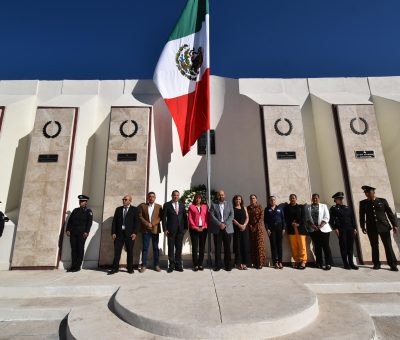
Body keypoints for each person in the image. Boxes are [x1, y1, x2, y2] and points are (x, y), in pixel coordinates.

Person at [359, 185, 398, 271]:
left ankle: (392, 264)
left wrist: (394, 225)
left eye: (369, 192)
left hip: (384, 226)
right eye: (366, 193)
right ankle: (376, 264)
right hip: (371, 227)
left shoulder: (382, 201)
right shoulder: (363, 203)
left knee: (388, 245)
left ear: (373, 192)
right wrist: (362, 226)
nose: (367, 194)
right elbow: (361, 216)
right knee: (374, 246)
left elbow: (389, 213)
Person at [108, 194, 138, 275]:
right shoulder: (118, 209)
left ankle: (130, 268)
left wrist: (135, 233)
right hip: (119, 234)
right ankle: (115, 268)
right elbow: (114, 222)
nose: (124, 200)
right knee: (117, 252)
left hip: (130, 235)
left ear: (130, 201)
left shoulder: (135, 210)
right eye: (123, 199)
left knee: (130, 252)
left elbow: (136, 223)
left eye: (125, 199)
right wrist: (113, 232)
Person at [329, 192, 358, 270]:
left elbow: (352, 218)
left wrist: (355, 228)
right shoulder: (333, 208)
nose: (341, 200)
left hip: (350, 229)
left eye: (342, 198)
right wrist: (335, 228)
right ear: (335, 200)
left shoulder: (347, 207)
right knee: (344, 246)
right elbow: (331, 220)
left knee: (350, 247)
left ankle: (351, 263)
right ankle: (345, 263)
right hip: (341, 229)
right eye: (339, 199)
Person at [305, 193, 333, 270]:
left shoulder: (324, 206)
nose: (315, 199)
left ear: (319, 199)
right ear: (312, 199)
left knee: (326, 246)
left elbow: (327, 217)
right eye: (313, 198)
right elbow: (307, 218)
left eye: (316, 198)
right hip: (313, 230)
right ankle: (319, 263)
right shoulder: (308, 207)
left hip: (324, 229)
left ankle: (328, 263)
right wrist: (312, 226)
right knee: (317, 247)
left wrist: (320, 226)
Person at [162, 190, 188, 273]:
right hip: (170, 230)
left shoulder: (182, 205)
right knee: (170, 248)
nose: (175, 196)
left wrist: (185, 228)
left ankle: (178, 265)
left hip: (180, 230)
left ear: (179, 196)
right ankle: (171, 265)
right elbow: (164, 218)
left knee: (179, 248)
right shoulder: (167, 205)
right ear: (171, 196)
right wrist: (165, 229)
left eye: (177, 195)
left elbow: (185, 217)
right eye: (174, 195)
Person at [66, 195, 93, 272]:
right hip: (73, 233)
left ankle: (77, 266)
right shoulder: (75, 210)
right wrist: (68, 229)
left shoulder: (88, 211)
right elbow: (70, 221)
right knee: (73, 249)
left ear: (86, 202)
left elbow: (89, 223)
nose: (80, 202)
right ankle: (73, 266)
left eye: (82, 201)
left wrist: (86, 232)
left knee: (80, 249)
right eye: (80, 201)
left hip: (82, 234)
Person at [138, 192, 163, 273]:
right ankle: (143, 265)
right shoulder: (142, 206)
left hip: (155, 229)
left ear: (155, 198)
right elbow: (140, 216)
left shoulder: (159, 206)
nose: (151, 198)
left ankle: (156, 265)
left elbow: (160, 217)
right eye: (150, 197)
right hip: (145, 229)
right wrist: (147, 223)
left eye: (153, 197)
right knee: (145, 248)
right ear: (147, 198)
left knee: (156, 248)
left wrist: (153, 223)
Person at [209, 190, 234, 271]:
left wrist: (225, 224)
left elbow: (232, 215)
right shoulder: (213, 204)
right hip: (217, 229)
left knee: (227, 248)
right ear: (217, 196)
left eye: (222, 195)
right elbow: (212, 215)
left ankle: (228, 265)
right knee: (217, 248)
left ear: (225, 195)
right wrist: (219, 224)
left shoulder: (229, 204)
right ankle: (218, 265)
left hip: (228, 229)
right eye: (219, 195)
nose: (221, 196)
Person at [284, 194, 307, 269]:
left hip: (300, 229)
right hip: (291, 229)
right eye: (291, 198)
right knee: (294, 246)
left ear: (296, 199)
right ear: (289, 199)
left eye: (293, 198)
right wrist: (291, 223)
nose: (292, 199)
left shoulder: (301, 207)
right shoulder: (287, 208)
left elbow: (303, 217)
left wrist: (298, 223)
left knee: (302, 246)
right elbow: (286, 218)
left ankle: (303, 261)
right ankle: (297, 260)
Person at [188, 193, 209, 271]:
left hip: (203, 229)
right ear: (194, 199)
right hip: (194, 229)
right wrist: (195, 227)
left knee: (202, 247)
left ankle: (200, 264)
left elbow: (207, 218)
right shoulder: (191, 207)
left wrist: (204, 226)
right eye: (196, 198)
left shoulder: (205, 207)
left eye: (199, 198)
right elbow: (190, 218)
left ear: (201, 199)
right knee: (195, 246)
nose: (198, 200)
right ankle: (195, 264)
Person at [264, 195, 286, 269]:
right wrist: (267, 229)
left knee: (279, 245)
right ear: (269, 201)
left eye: (273, 200)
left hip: (279, 228)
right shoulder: (267, 209)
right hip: (271, 229)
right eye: (271, 200)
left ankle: (280, 262)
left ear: (275, 201)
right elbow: (265, 221)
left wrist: (284, 228)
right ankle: (275, 262)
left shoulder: (279, 208)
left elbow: (283, 219)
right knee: (273, 245)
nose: (272, 201)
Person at [247, 194, 267, 269]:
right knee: (253, 245)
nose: (252, 199)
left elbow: (261, 218)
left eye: (254, 198)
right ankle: (254, 262)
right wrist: (250, 226)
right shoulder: (248, 208)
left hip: (259, 229)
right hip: (251, 229)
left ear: (256, 199)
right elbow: (247, 218)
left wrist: (256, 226)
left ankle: (260, 263)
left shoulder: (260, 207)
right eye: (251, 198)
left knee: (259, 245)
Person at [232, 195, 250, 270]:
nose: (238, 200)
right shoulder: (232, 208)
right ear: (234, 200)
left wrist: (244, 225)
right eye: (236, 199)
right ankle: (239, 263)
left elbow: (247, 217)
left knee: (245, 245)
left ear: (241, 200)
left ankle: (244, 263)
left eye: (239, 199)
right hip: (236, 229)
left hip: (244, 229)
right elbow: (232, 219)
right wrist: (239, 225)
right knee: (238, 246)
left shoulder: (244, 207)